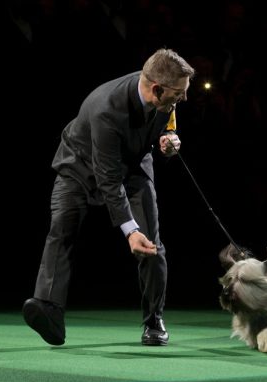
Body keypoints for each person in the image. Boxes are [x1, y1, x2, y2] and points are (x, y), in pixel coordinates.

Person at [23, 48, 195, 347]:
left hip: (133, 166)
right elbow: (107, 178)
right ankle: (48, 308)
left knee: (152, 244)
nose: (183, 98)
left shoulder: (163, 95)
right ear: (157, 89)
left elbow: (165, 124)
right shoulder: (107, 108)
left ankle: (153, 319)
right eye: (179, 93)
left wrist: (167, 141)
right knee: (61, 229)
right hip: (80, 166)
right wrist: (130, 231)